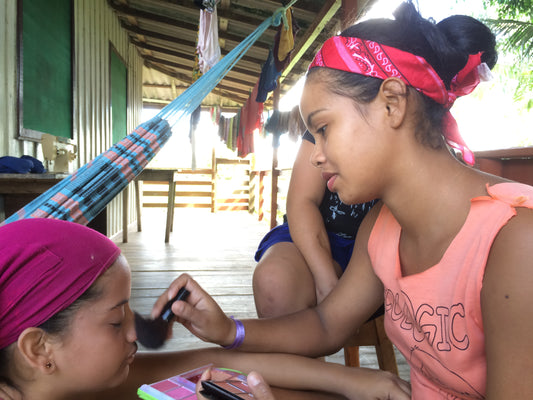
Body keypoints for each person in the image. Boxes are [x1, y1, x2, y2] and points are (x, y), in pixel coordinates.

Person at [155, 2, 533, 398]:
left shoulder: (514, 240)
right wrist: (227, 330)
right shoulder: (383, 225)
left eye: (322, 128)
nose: (316, 155)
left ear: (392, 103)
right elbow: (325, 325)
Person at [0, 218, 410, 400]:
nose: (134, 332)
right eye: (115, 320)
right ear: (39, 350)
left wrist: (353, 382)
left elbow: (214, 360)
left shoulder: (87, 378)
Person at [253, 129, 377, 317]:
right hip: (314, 234)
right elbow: (302, 200)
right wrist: (326, 281)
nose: (316, 158)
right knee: (275, 280)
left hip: (381, 243)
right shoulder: (323, 114)